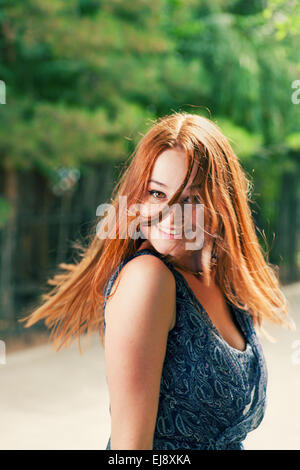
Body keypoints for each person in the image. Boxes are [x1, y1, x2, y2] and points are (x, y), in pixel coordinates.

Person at [21, 112, 295, 450]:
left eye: (192, 198)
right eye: (156, 193)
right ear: (138, 196)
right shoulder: (148, 280)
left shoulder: (219, 280)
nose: (171, 213)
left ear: (221, 204)